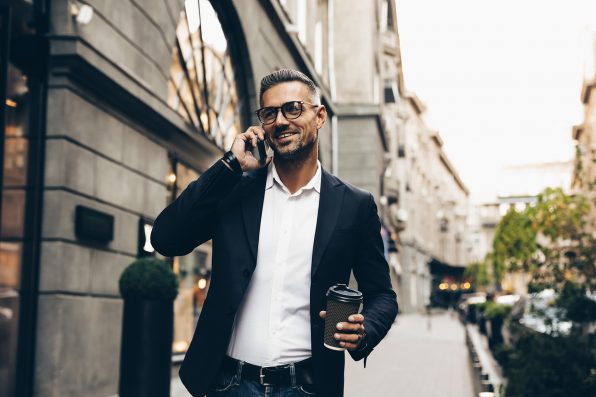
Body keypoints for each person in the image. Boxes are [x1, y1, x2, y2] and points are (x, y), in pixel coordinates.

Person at [151, 69, 398, 397]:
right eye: (270, 113)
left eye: (293, 108)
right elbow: (166, 238)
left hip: (307, 386)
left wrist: (365, 328)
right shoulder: (236, 191)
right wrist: (227, 166)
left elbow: (383, 295)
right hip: (229, 384)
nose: (281, 120)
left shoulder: (354, 205)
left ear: (320, 116)